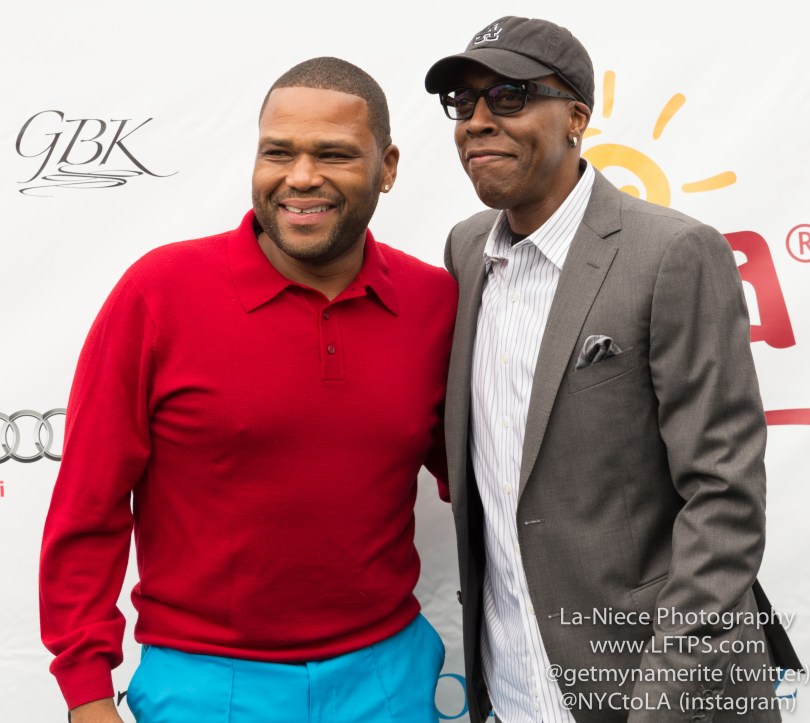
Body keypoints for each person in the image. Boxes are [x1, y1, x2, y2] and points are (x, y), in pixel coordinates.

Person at [40, 56, 456, 723]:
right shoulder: (159, 293)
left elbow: (489, 476)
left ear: (388, 165)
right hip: (205, 683)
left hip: (387, 678)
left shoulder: (436, 302)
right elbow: (88, 507)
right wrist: (87, 696)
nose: (301, 177)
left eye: (334, 154)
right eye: (278, 152)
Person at [424, 16, 799, 723]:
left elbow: (723, 501)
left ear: (575, 117)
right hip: (512, 685)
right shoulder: (465, 251)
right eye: (463, 102)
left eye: (507, 95)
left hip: (653, 692)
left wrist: (661, 702)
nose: (477, 121)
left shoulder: (674, 254)